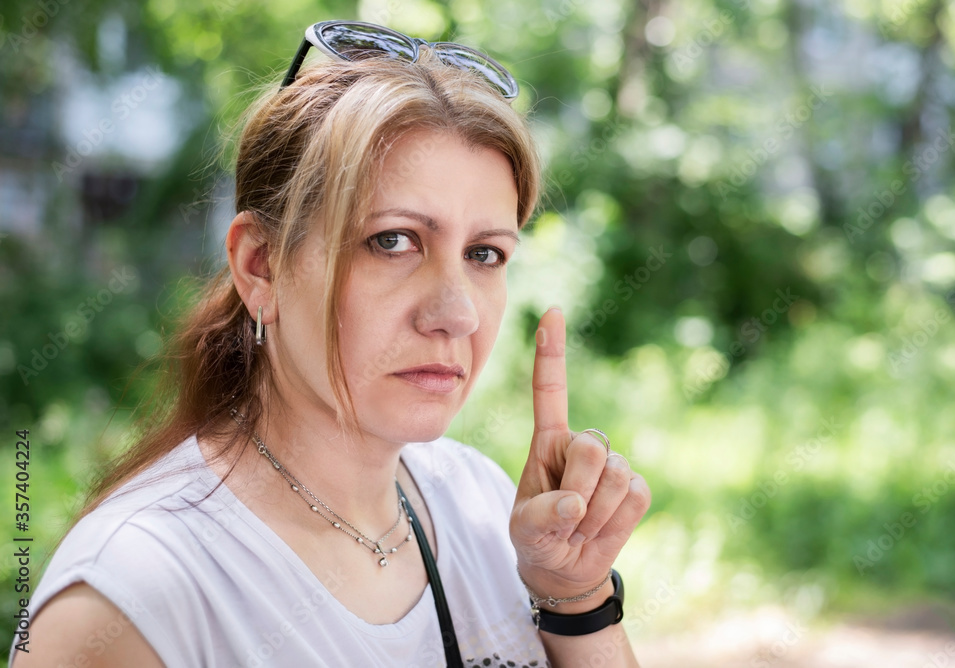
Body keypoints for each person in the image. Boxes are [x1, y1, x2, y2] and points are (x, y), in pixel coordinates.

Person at [12, 20, 651, 667]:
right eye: (393, 241)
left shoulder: (482, 505)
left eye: (484, 253)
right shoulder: (134, 598)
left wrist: (575, 597)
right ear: (260, 266)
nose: (457, 313)